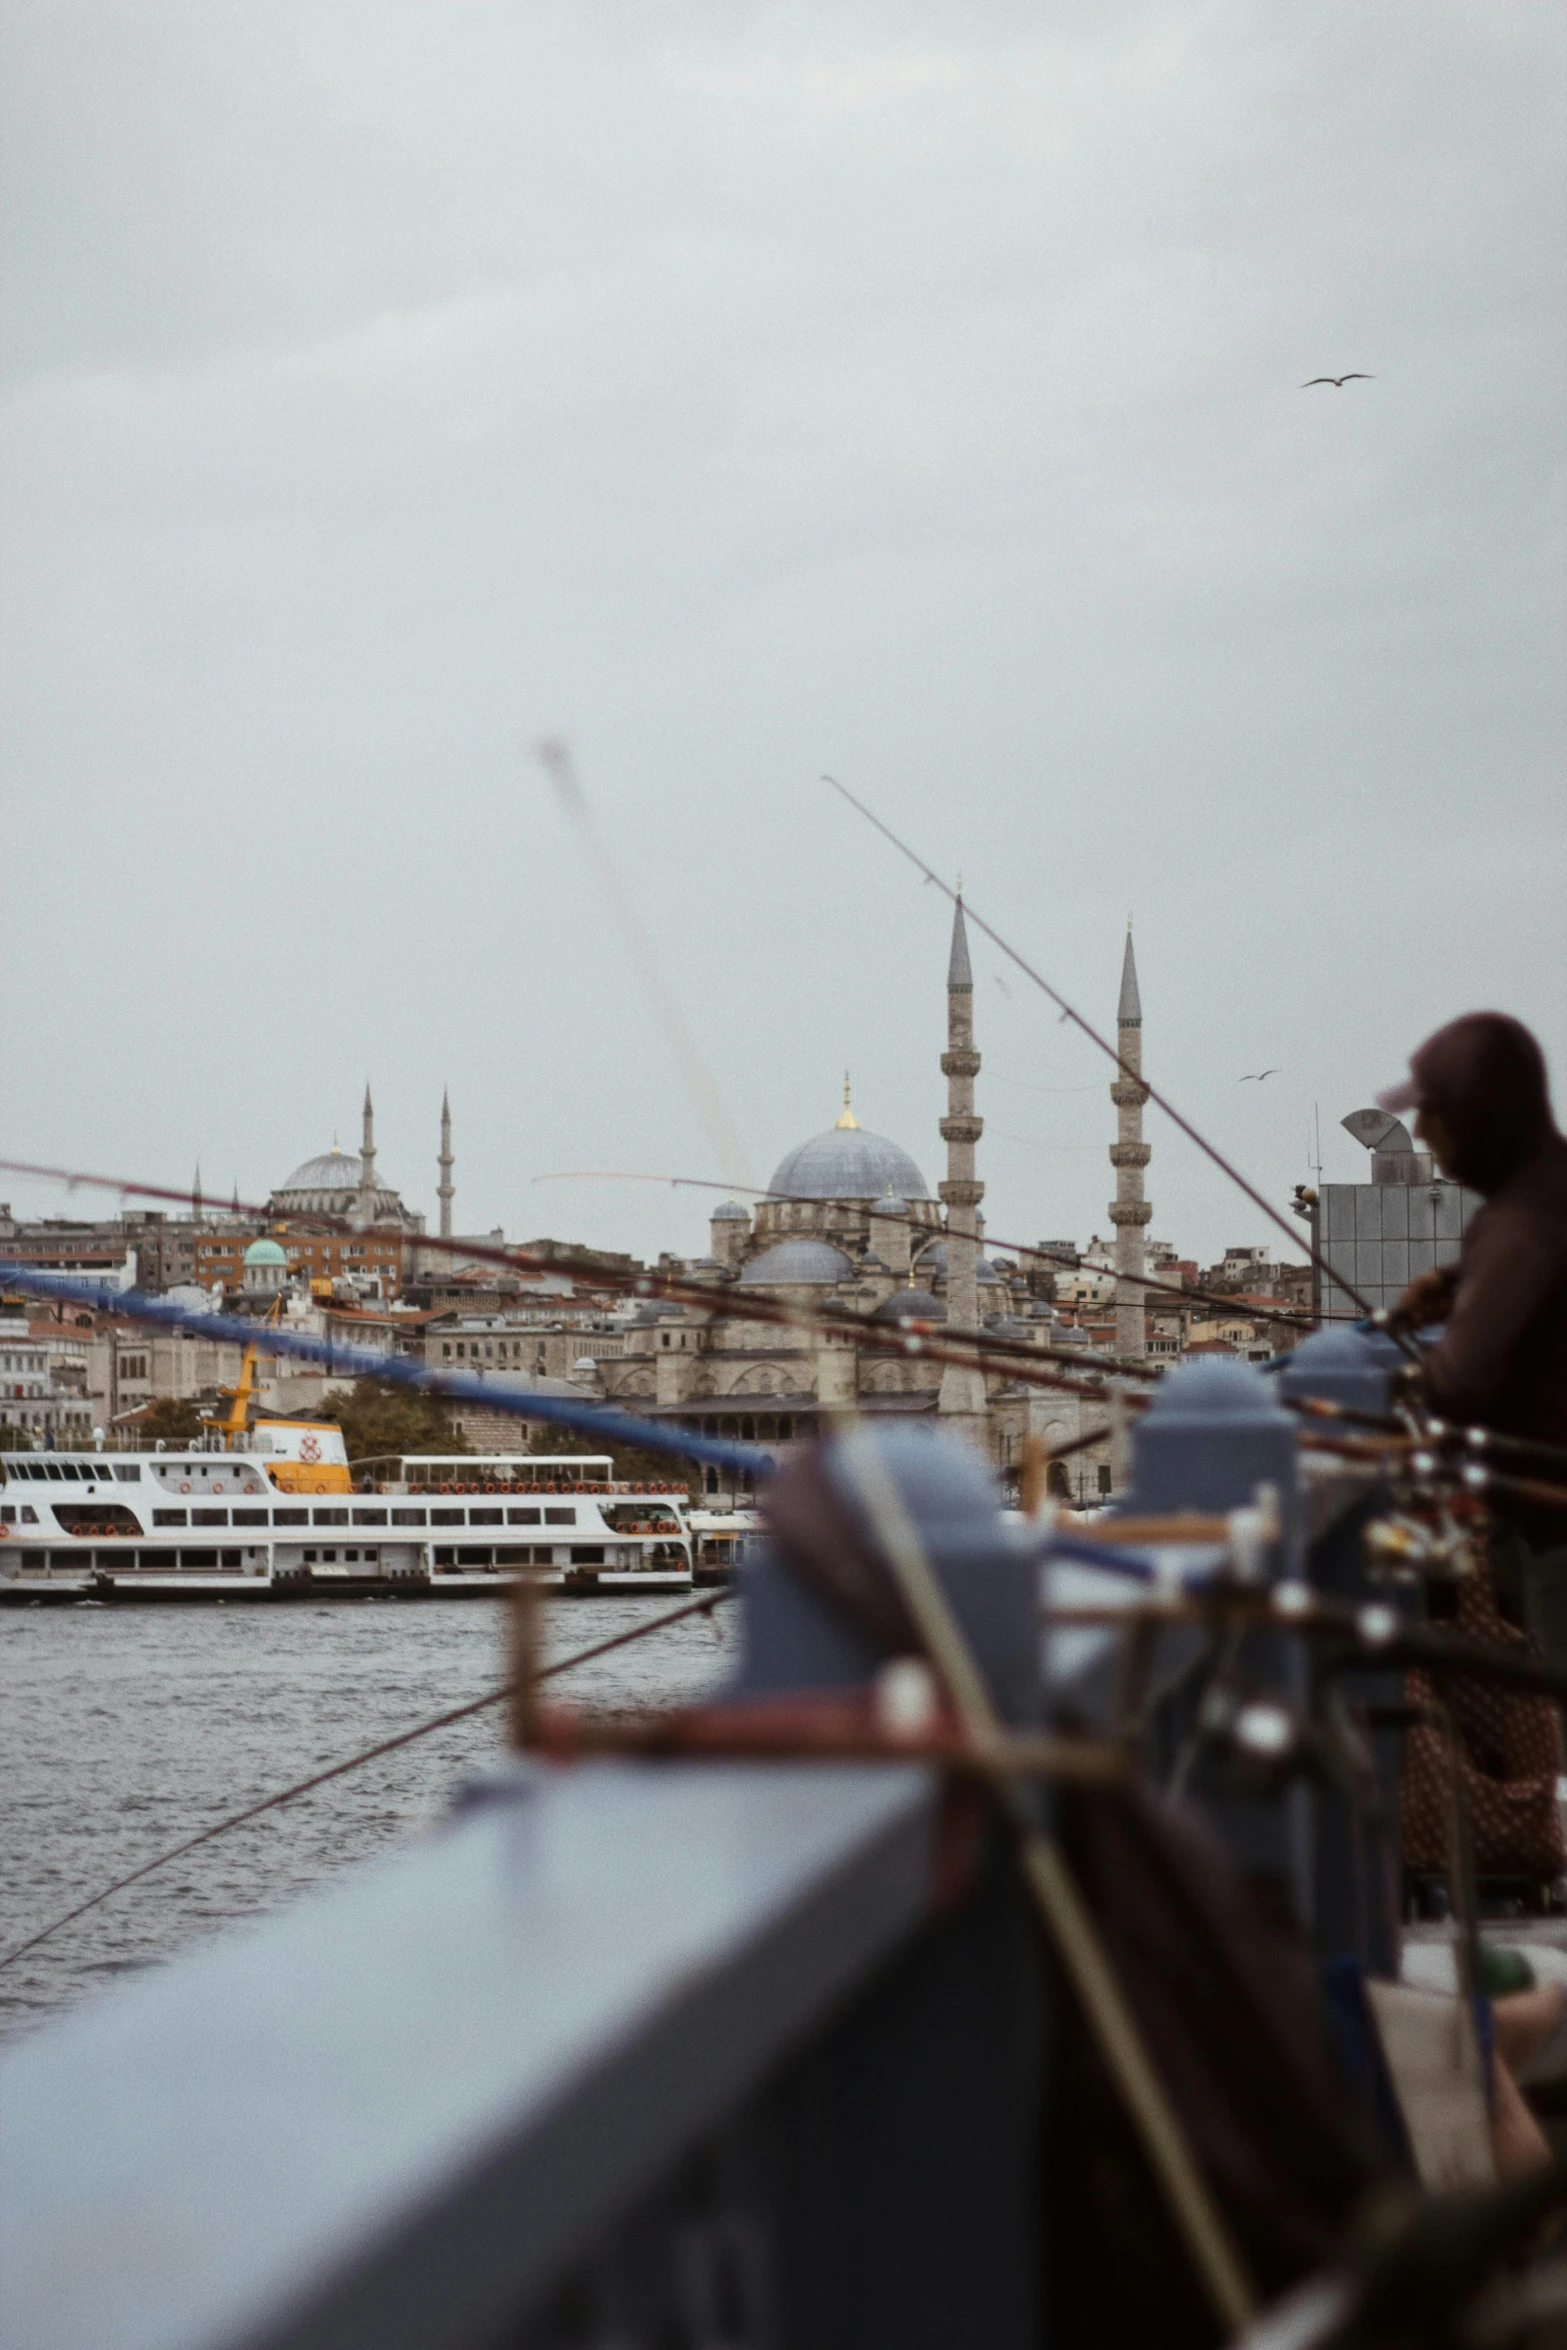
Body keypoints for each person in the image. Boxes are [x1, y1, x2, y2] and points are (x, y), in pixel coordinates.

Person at [1380, 1012, 1567, 1663]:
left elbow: (1457, 1383)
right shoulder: (1549, 1188)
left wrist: (1407, 1381)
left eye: (1435, 1115)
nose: (1421, 1133)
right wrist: (1459, 1286)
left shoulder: (1513, 1226)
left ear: (1480, 1118)